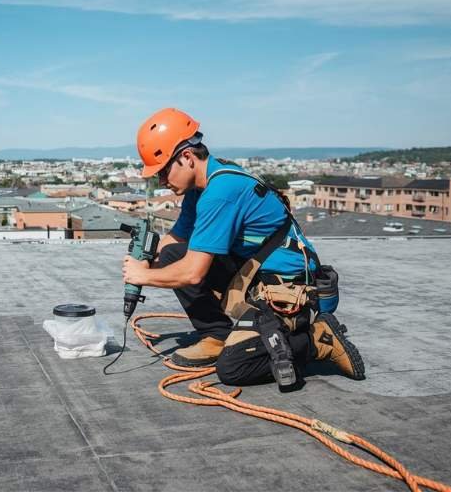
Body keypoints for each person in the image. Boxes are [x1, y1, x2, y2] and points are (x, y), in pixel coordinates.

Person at [121, 108, 364, 386]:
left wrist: (143, 276)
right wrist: (146, 261)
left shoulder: (221, 192)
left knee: (234, 368)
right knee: (172, 255)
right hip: (255, 276)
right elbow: (174, 241)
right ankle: (218, 335)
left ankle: (318, 340)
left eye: (163, 172)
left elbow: (192, 273)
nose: (162, 182)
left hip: (289, 287)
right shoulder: (200, 188)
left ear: (186, 157)